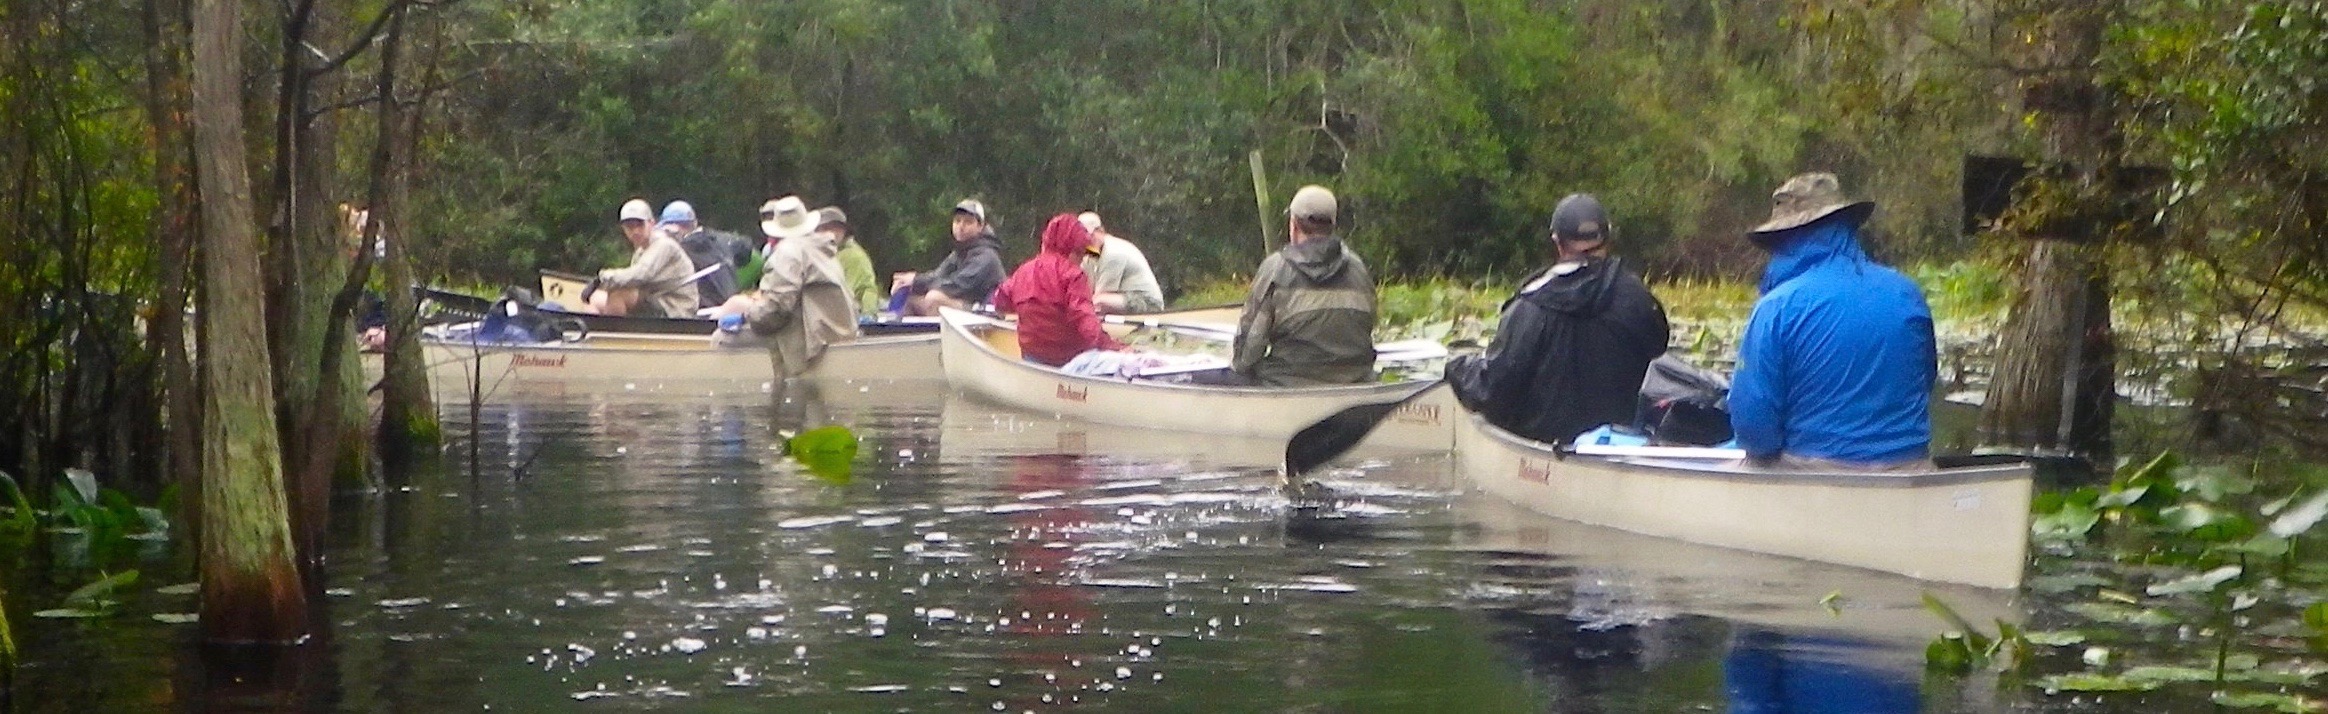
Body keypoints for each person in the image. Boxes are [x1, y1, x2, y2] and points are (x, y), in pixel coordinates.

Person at [1730, 172, 1937, 469]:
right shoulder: (1907, 292)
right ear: (1847, 228)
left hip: (1815, 475)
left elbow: (1753, 426)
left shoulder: (1776, 307)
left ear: (1783, 238)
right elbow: (1925, 380)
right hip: (1909, 470)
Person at [1446, 194, 1670, 445]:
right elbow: (1658, 351)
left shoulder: (1530, 303)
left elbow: (1493, 391)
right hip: (1618, 443)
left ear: (1557, 241)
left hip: (1543, 443)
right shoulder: (1639, 298)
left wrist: (1457, 367)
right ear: (1607, 237)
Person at [1221, 185, 1377, 386]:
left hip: (1286, 385)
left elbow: (1249, 349)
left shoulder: (1275, 268)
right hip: (1356, 383)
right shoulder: (1358, 268)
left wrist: (1237, 367)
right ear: (1332, 225)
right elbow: (1368, 324)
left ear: (1293, 226)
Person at [718, 194, 858, 376]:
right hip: (834, 334)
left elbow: (776, 308)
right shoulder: (823, 249)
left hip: (809, 341)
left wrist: (746, 316)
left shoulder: (788, 252)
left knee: (723, 338)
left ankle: (740, 395)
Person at [991, 214, 1126, 367]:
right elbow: (1085, 320)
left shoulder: (1023, 271)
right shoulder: (1073, 275)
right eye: (1080, 253)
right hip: (1070, 361)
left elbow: (999, 301)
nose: (1082, 260)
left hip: (1032, 359)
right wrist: (1112, 347)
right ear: (1072, 249)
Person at [890, 199, 1006, 316]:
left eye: (968, 222)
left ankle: (937, 334)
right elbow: (938, 275)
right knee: (909, 298)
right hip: (966, 308)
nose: (961, 226)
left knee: (934, 298)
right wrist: (909, 283)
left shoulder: (987, 256)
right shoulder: (959, 252)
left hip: (987, 314)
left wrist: (916, 282)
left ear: (980, 226)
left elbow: (957, 285)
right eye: (957, 221)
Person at [587, 198, 699, 318]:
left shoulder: (664, 244)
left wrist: (605, 277)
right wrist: (600, 286)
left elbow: (642, 274)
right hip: (655, 297)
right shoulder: (640, 250)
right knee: (596, 297)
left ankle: (616, 334)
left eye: (640, 225)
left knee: (618, 295)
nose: (635, 231)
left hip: (676, 307)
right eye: (629, 227)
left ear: (651, 223)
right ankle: (593, 332)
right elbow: (632, 282)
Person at [659, 200, 749, 310]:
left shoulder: (679, 250)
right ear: (695, 223)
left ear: (673, 229)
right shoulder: (722, 240)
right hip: (733, 307)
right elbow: (745, 249)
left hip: (704, 315)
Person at [1075, 212, 1165, 314]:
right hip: (1121, 298)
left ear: (1101, 231)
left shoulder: (1113, 253)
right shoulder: (1090, 254)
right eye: (1082, 237)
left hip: (1147, 301)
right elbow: (1085, 290)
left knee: (1099, 300)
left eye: (1089, 235)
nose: (1086, 240)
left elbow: (1099, 296)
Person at [820, 207, 884, 319]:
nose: (829, 233)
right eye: (824, 228)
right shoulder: (824, 253)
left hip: (857, 315)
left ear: (843, 231)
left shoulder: (853, 256)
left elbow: (846, 294)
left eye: (834, 228)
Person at [736, 196, 809, 290]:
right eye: (766, 216)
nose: (768, 219)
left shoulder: (799, 246)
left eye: (771, 215)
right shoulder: (768, 248)